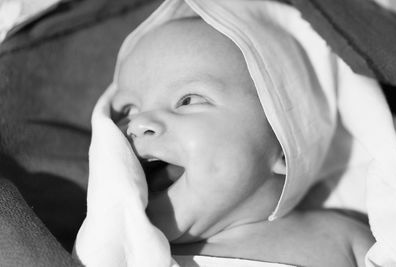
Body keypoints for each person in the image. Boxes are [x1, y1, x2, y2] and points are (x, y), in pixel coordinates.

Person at [108, 17, 374, 267]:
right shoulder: (115, 254)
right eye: (128, 110)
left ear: (283, 146)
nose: (137, 124)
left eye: (187, 100)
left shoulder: (341, 239)